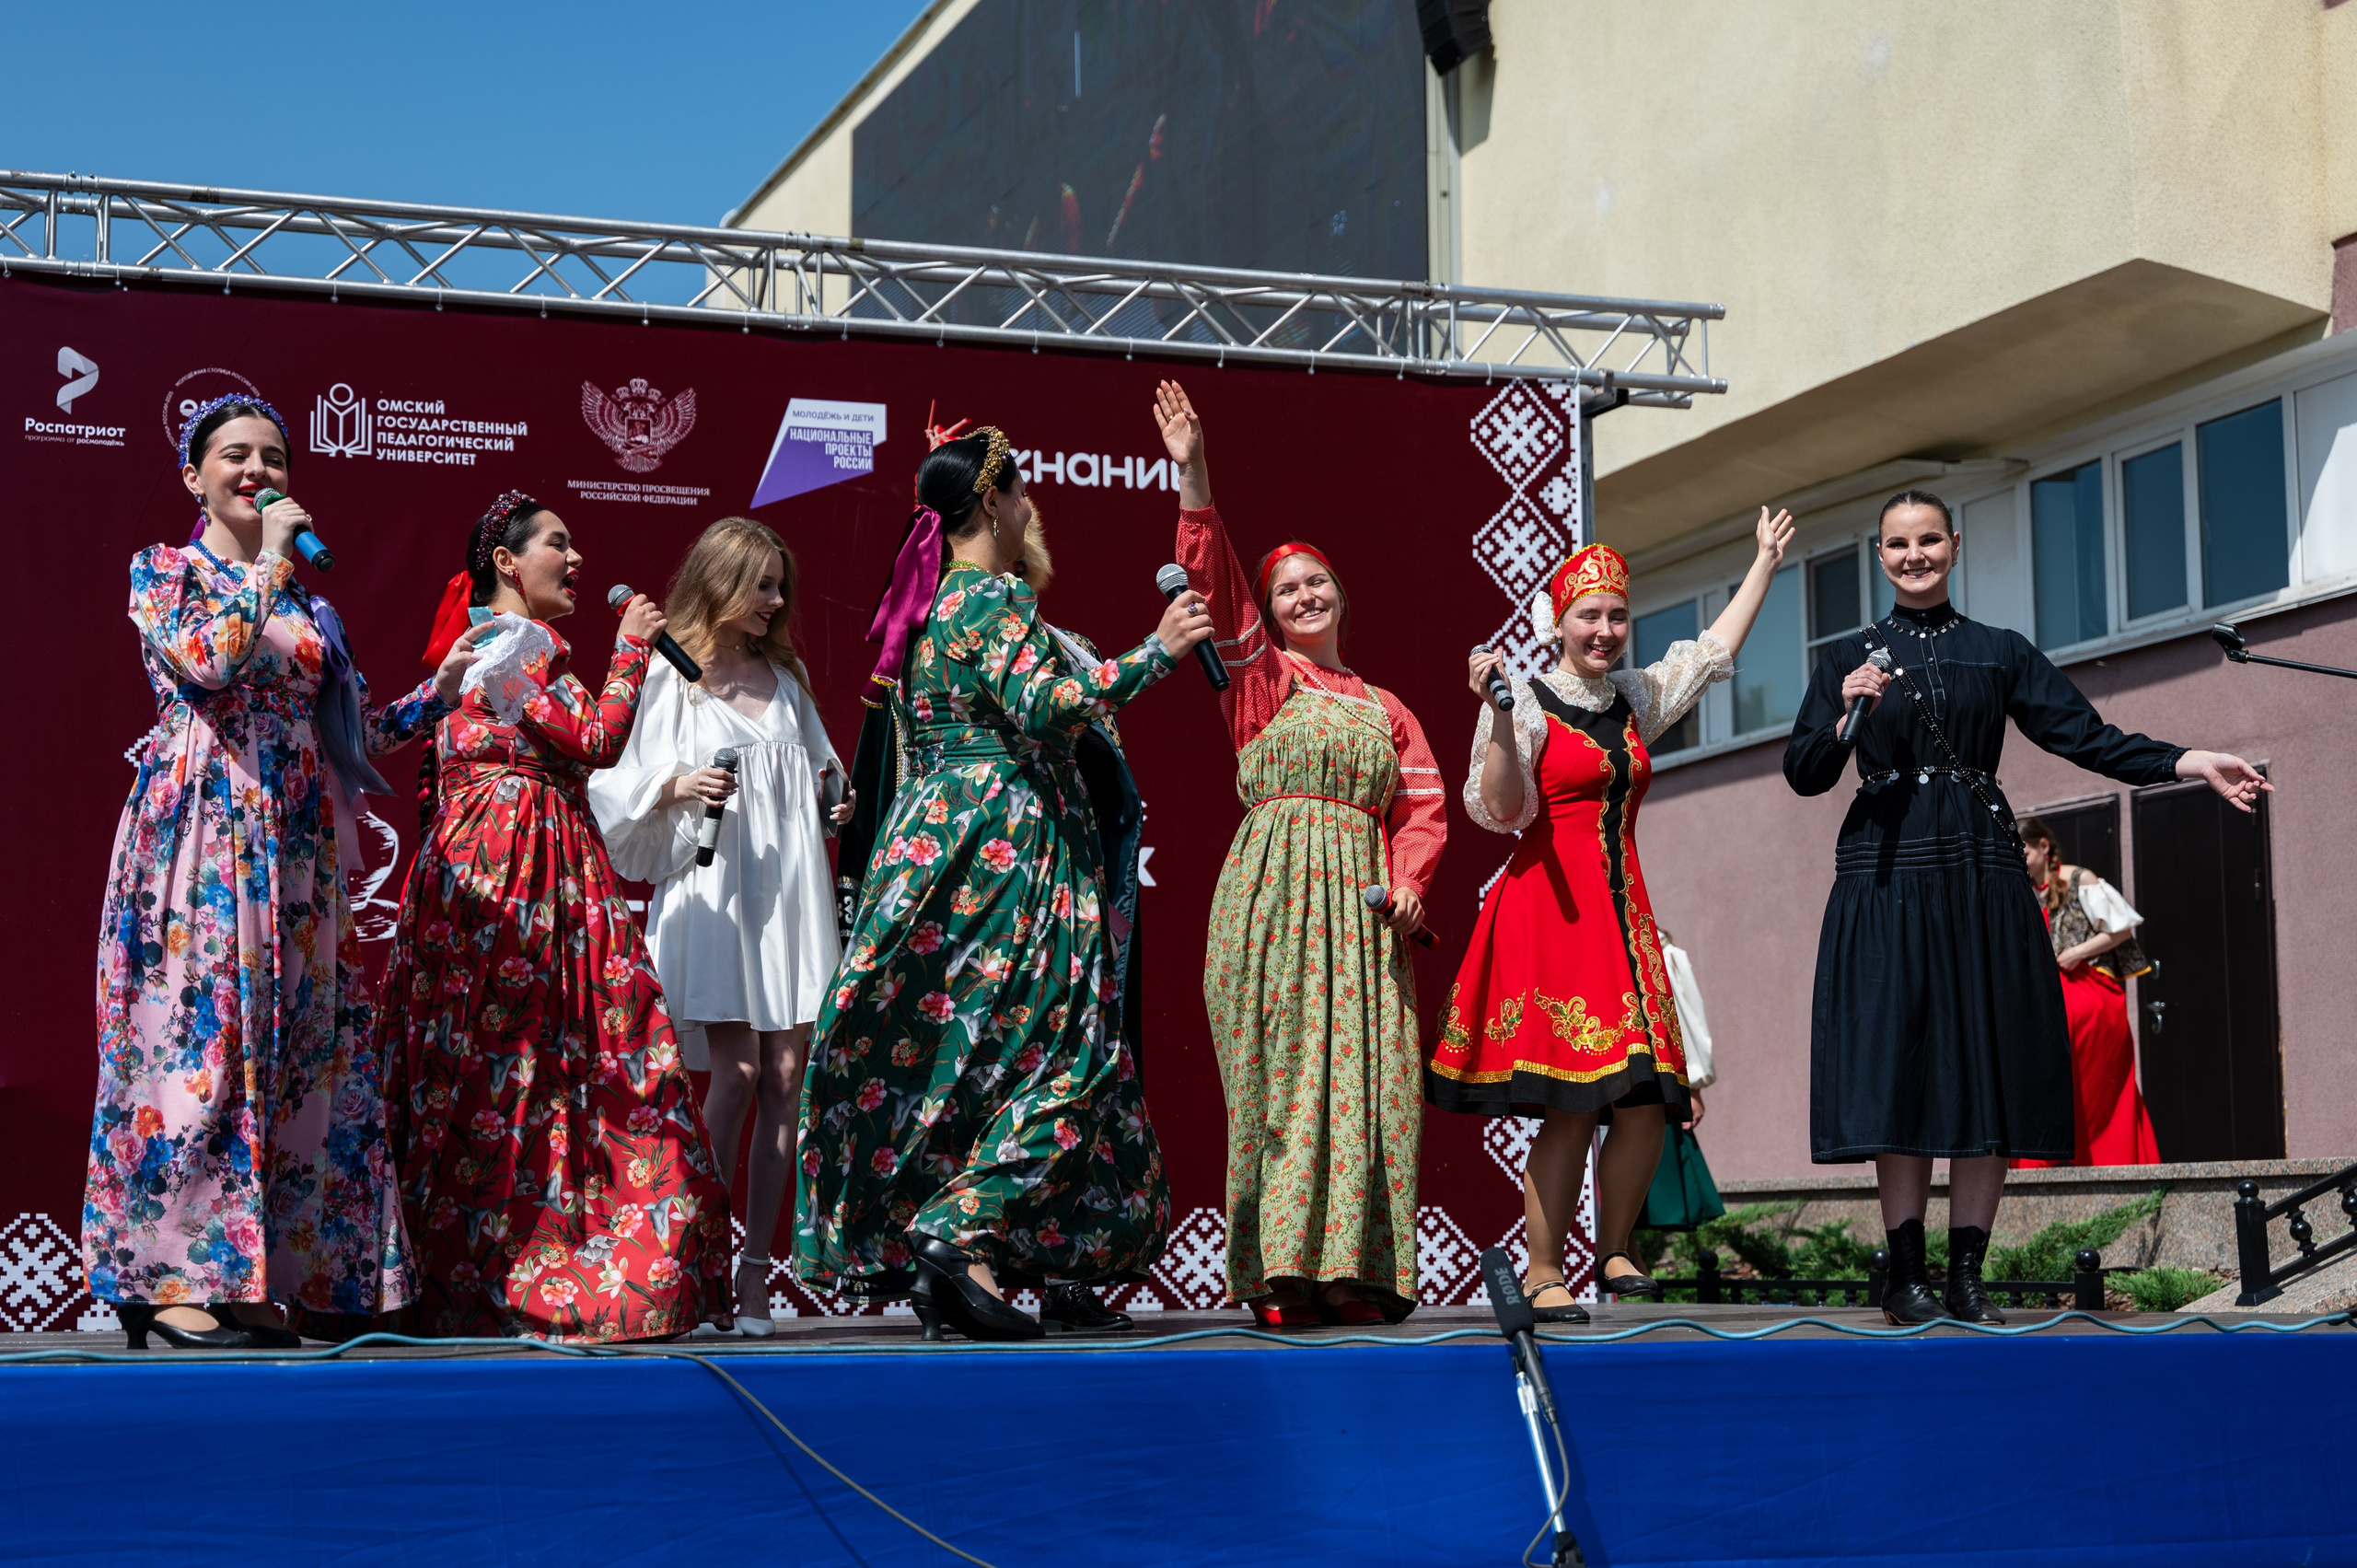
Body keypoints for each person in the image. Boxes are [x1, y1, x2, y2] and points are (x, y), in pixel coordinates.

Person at [1785, 490, 2267, 1325]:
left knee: (1990, 1062)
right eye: (1898, 544)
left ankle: (1967, 1275)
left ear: (1954, 544)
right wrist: (1843, 715)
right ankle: (1906, 1275)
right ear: (1879, 554)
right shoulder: (1846, 659)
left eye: (1928, 539)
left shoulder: (1999, 650)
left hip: (1981, 870)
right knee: (1899, 1069)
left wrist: (2188, 760)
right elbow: (1804, 773)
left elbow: (2088, 736)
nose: (1914, 555)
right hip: (1886, 874)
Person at [795, 418, 1212, 1342]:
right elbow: (1045, 702)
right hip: (1010, 841)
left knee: (980, 1053)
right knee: (1071, 1049)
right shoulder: (992, 594)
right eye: (1022, 493)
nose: (1032, 508)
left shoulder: (927, 605)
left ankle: (968, 1262)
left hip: (940, 838)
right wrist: (1156, 653)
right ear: (992, 501)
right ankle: (956, 1228)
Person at [85, 395, 482, 1350]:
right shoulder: (165, 569)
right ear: (194, 476)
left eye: (273, 456)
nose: (257, 471)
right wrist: (267, 561)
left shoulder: (309, 606)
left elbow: (352, 737)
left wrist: (443, 692)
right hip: (205, 830)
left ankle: (241, 1272)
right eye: (235, 455)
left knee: (293, 1050)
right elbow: (210, 661)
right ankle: (164, 1275)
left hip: (297, 844)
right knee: (199, 1039)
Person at [378, 491, 733, 1342]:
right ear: (506, 561)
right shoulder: (512, 643)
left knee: (495, 1067)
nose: (577, 560)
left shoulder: (500, 648)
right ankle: (543, 1271)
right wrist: (633, 649)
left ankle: (484, 1273)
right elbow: (595, 739)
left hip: (507, 871)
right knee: (542, 1061)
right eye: (557, 545)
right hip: (517, 876)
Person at [1434, 509, 1792, 1319]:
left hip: (1623, 915)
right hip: (1552, 913)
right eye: (1589, 615)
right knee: (1572, 1103)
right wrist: (1498, 717)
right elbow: (1499, 810)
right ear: (1557, 622)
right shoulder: (1525, 700)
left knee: (1649, 1101)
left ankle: (1616, 1245)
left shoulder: (1633, 698)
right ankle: (1542, 1268)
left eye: (1617, 615)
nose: (1604, 630)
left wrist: (1764, 565)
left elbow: (1712, 653)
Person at [1162, 379, 1446, 1329]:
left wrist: (1408, 885)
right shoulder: (1260, 679)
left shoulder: (1387, 707)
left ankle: (1352, 1271)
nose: (1304, 595)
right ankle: (1280, 1272)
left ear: (1340, 595)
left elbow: (1423, 808)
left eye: (1316, 582)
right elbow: (1214, 582)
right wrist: (1194, 473)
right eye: (1287, 589)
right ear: (1272, 611)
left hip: (1362, 914)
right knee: (1284, 1075)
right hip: (1278, 898)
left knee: (1368, 1081)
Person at [587, 517, 853, 1337]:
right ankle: (689, 1260)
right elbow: (619, 782)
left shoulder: (788, 678)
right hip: (717, 889)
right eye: (761, 585)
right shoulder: (675, 674)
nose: (775, 600)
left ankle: (753, 1277)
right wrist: (681, 784)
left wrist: (834, 799)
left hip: (788, 895)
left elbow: (822, 769)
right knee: (735, 1073)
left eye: (779, 585)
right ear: (721, 582)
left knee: (786, 1076)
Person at [2014, 818, 2161, 1168]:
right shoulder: (2025, 891)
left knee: (2091, 1081)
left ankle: (2106, 1159)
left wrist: (2077, 952)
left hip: (2090, 991)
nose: (2021, 860)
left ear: (2043, 847)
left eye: (2024, 852)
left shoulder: (2082, 880)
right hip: (2053, 996)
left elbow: (2121, 930)